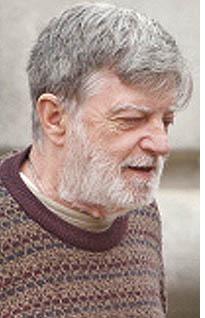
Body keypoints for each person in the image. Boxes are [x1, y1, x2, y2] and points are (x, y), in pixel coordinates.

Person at [0, 3, 192, 317]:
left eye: (166, 121)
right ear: (55, 118)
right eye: (131, 119)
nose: (162, 144)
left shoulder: (142, 214)